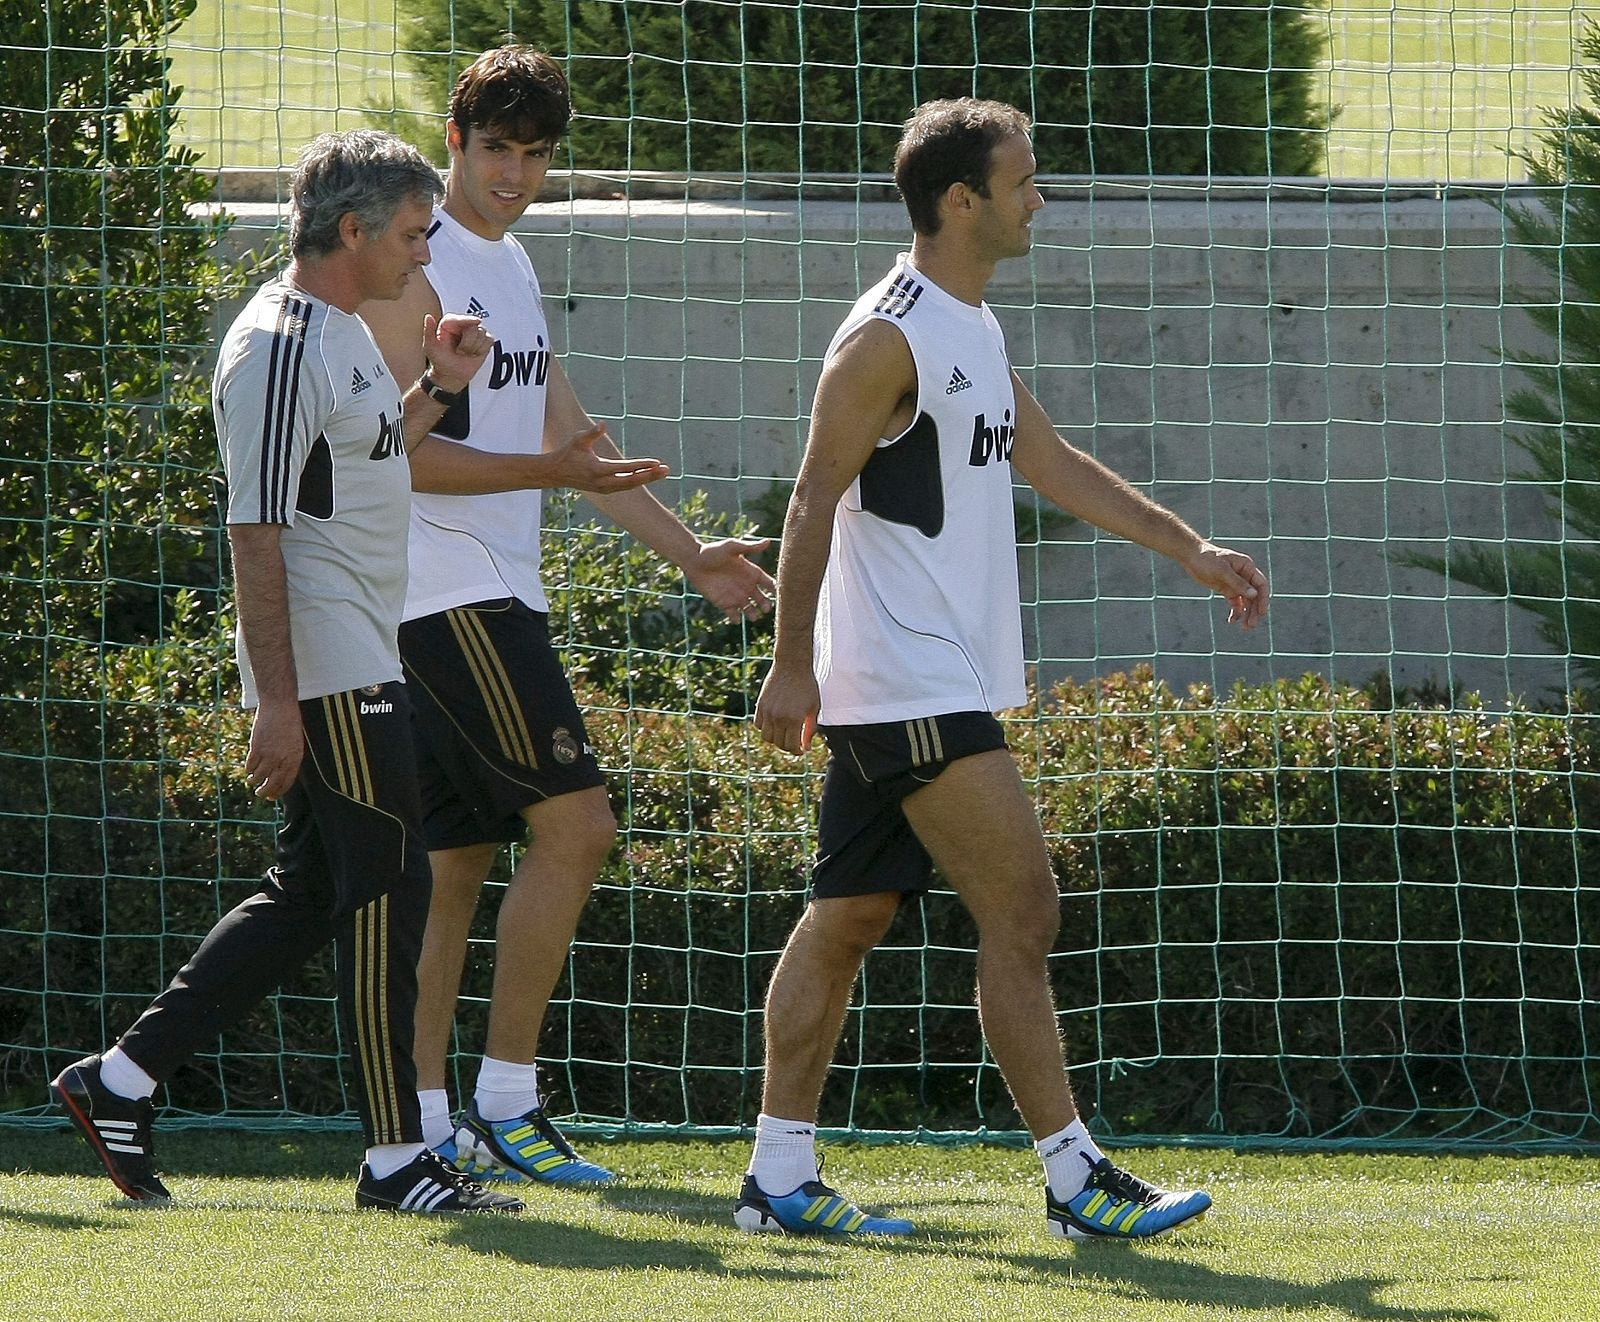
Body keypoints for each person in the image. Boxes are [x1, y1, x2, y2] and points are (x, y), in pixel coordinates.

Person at [742, 98, 1270, 1240]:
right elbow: (809, 495)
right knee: (1023, 908)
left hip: (924, 681)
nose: (1042, 199)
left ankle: (777, 1176)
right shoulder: (884, 335)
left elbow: (1052, 458)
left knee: (846, 917)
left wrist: (1192, 549)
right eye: (1024, 181)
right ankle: (1076, 1177)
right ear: (959, 200)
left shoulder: (969, 324)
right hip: (906, 679)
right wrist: (792, 664)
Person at [51, 129, 523, 1215]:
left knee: (313, 888)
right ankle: (397, 1158)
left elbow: (359, 465)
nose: (423, 255)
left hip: (359, 649)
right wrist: (276, 701)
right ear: (350, 230)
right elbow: (254, 531)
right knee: (388, 885)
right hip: (328, 663)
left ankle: (117, 1079)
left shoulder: (344, 330)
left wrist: (438, 389)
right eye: (410, 233)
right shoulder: (273, 345)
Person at [358, 45, 774, 1187]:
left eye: (536, 156)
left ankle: (427, 1120)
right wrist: (553, 475)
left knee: (454, 862)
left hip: (487, 591)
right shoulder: (419, 262)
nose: (515, 175)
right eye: (497, 150)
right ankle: (505, 1101)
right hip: (445, 595)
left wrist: (692, 555)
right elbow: (405, 459)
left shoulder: (515, 261)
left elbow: (569, 433)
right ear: (455, 141)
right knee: (579, 827)